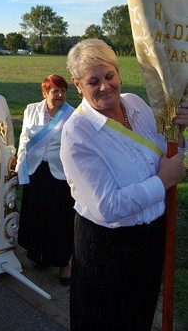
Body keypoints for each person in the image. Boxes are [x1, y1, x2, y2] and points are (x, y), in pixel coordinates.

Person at [60, 38, 187, 331]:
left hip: (151, 240)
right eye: (93, 81)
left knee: (140, 316)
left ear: (118, 72)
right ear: (78, 85)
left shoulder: (136, 104)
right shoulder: (77, 133)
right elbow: (108, 206)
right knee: (105, 321)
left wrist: (179, 132)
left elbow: (166, 153)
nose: (105, 86)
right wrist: (164, 180)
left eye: (109, 76)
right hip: (107, 251)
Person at [16, 74, 75, 285]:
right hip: (35, 171)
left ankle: (63, 264)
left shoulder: (72, 115)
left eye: (63, 91)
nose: (60, 95)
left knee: (60, 220)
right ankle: (39, 255)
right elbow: (24, 138)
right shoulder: (31, 109)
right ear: (44, 93)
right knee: (36, 215)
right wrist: (20, 166)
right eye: (55, 91)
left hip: (60, 175)